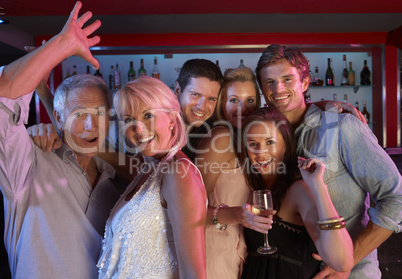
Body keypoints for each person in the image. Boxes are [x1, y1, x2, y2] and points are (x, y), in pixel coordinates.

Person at [255, 44, 402, 278]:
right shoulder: (264, 136)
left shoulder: (341, 126)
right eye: (269, 81)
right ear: (262, 88)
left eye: (287, 79)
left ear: (304, 83)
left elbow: (396, 197)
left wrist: (348, 259)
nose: (278, 88)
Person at [0, 2, 124, 278]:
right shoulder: (27, 164)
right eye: (79, 114)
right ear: (58, 117)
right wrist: (61, 45)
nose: (91, 125)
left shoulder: (115, 181)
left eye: (100, 113)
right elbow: (3, 99)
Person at [97, 76, 207, 278]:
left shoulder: (179, 173)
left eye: (148, 115)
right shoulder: (148, 169)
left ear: (172, 120)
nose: (138, 129)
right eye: (129, 119)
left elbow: (194, 273)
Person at [240, 107, 354, 278]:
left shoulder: (298, 190)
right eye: (253, 144)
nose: (260, 152)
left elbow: (342, 262)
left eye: (270, 142)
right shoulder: (250, 187)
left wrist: (318, 186)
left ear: (286, 144)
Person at [195, 67, 261, 278]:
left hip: (237, 250)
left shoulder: (247, 140)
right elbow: (187, 211)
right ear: (222, 104)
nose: (243, 108)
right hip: (213, 250)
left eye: (250, 100)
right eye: (234, 100)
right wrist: (235, 215)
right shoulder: (221, 139)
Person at [174, 58, 224, 161]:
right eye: (195, 95)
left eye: (211, 99)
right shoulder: (157, 128)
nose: (202, 107)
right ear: (178, 90)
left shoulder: (211, 140)